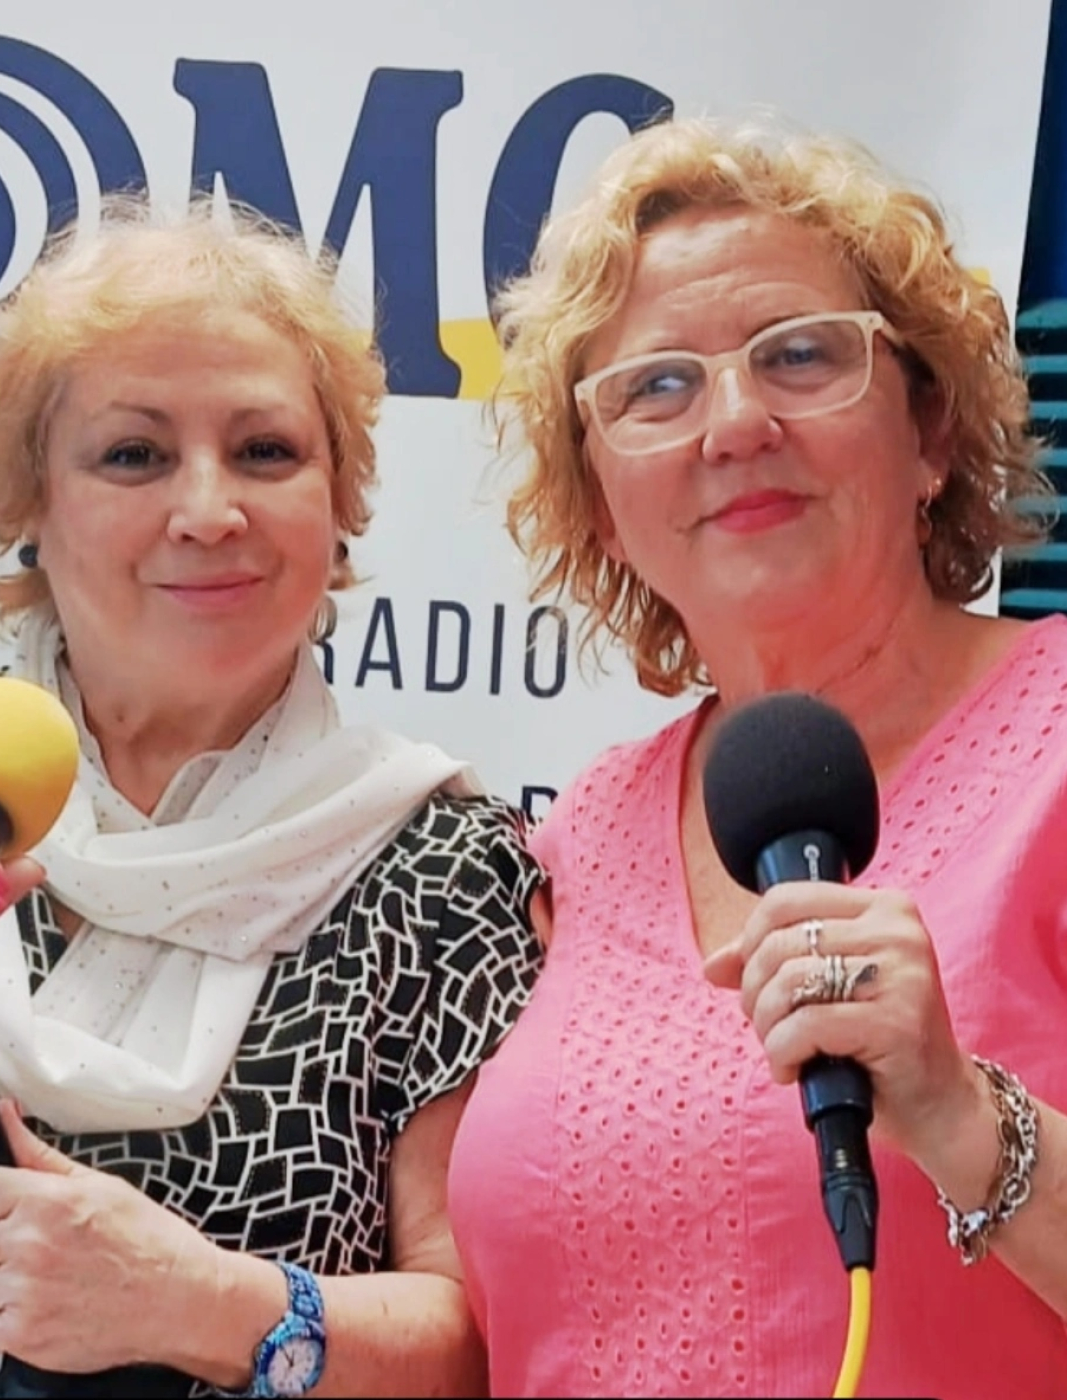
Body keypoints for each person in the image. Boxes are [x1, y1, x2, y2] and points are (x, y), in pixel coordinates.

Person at [0, 197, 543, 1399]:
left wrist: (203, 1303)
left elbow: (479, 1346)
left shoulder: (441, 863)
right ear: (29, 502)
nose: (208, 510)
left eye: (265, 451)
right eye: (133, 454)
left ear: (340, 504)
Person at [447, 115, 1067, 1398]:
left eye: (797, 355)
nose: (731, 423)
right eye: (655, 387)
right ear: (601, 504)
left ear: (929, 429)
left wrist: (961, 1117)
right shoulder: (580, 833)